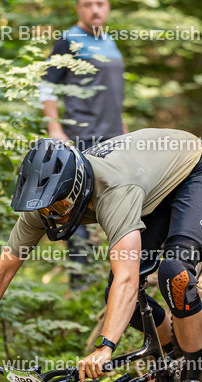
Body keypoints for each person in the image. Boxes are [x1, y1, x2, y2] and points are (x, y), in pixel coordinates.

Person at [0, 129, 202, 382]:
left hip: (193, 170)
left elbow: (127, 280)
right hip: (148, 188)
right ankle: (176, 353)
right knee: (119, 301)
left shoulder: (113, 190)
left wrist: (104, 347)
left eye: (59, 209)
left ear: (77, 188)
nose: (52, 217)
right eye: (45, 211)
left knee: (175, 274)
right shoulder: (45, 201)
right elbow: (2, 270)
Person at [38, 0, 127, 286]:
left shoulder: (110, 42)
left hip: (114, 138)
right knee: (77, 209)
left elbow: (114, 95)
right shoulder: (68, 41)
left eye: (100, 3)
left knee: (118, 204)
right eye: (88, 4)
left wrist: (125, 131)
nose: (95, 10)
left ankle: (120, 278)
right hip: (83, 137)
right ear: (78, 8)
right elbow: (46, 85)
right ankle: (81, 283)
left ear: (109, 7)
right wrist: (54, 126)